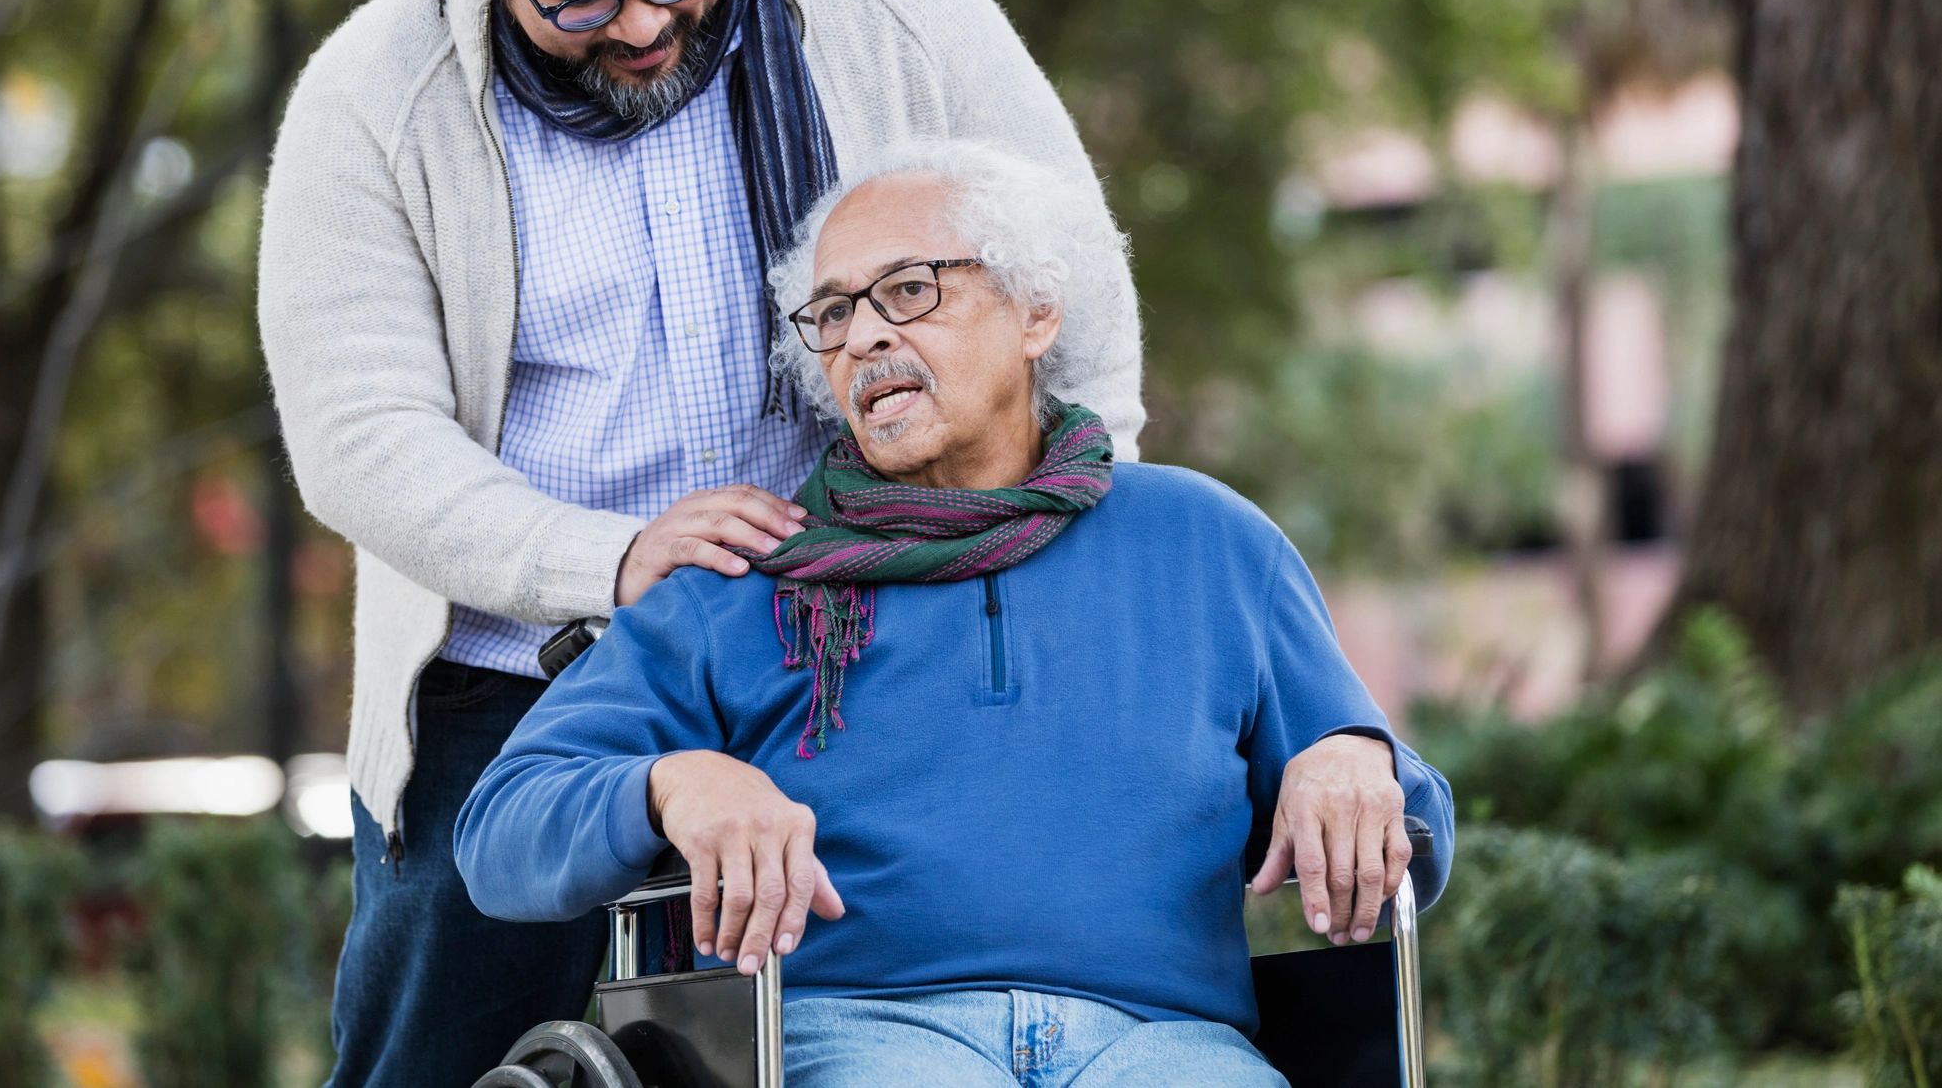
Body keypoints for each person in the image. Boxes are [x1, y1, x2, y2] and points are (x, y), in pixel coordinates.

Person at [255, 0, 1145, 1087]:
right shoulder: (373, 101)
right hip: (515, 691)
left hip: (854, 653)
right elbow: (358, 437)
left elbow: (1065, 292)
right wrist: (607, 555)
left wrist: (1044, 570)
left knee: (844, 1049)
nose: (650, 19)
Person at [454, 145, 1455, 1087]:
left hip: (1166, 1042)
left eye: (910, 289)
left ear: (1035, 314)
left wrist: (1355, 759)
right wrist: (673, 781)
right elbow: (499, 832)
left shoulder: (1208, 544)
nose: (867, 336)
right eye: (835, 313)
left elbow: (1424, 832)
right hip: (855, 1034)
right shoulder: (741, 580)